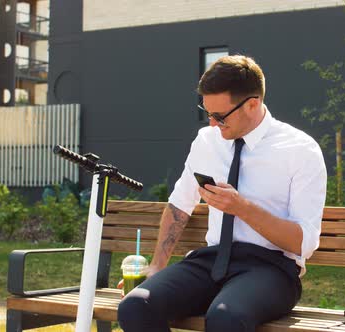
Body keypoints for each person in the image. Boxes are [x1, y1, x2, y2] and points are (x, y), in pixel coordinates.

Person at [117, 55, 327, 332]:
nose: (213, 124)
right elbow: (180, 205)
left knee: (225, 317)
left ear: (252, 104)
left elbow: (304, 244)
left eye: (219, 116)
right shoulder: (206, 141)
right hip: (211, 261)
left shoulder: (300, 150)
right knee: (135, 306)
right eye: (208, 114)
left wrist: (242, 208)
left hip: (272, 269)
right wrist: (157, 266)